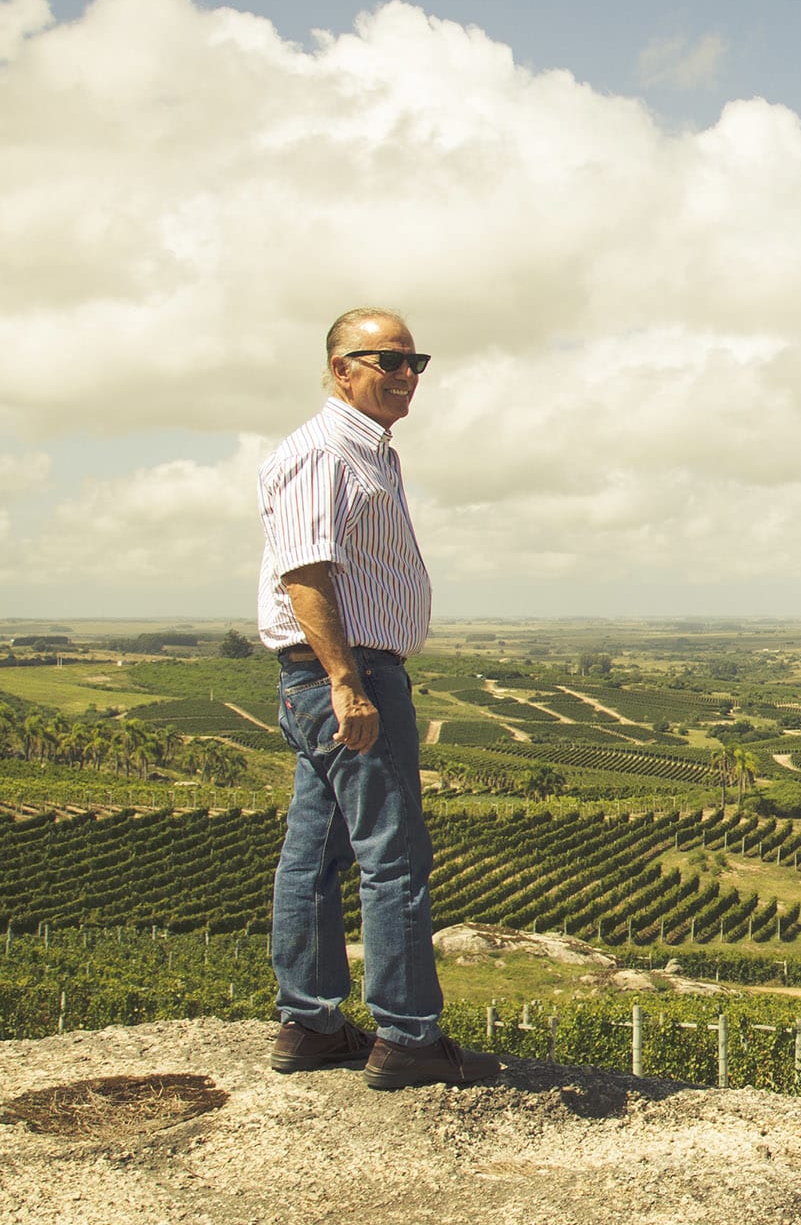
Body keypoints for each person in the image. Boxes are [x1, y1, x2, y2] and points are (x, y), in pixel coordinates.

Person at [256, 307, 499, 1089]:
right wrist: (345, 683)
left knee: (315, 853)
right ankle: (406, 1037)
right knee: (393, 858)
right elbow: (305, 575)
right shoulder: (323, 452)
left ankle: (311, 1024)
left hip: (340, 674)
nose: (405, 375)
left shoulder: (369, 452)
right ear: (340, 369)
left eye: (414, 361)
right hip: (347, 674)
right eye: (387, 360)